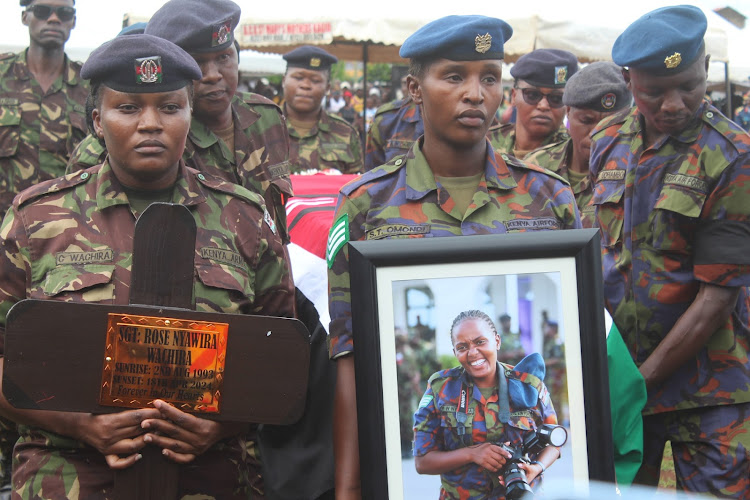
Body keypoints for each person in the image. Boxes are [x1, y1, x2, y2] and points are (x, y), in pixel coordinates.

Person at [0, 33, 295, 499]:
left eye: (170, 107)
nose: (151, 124)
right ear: (98, 120)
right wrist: (80, 424)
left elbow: (285, 364)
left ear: (190, 115)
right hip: (69, 477)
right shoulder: (35, 219)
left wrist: (220, 427)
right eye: (129, 108)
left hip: (212, 478)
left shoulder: (246, 220)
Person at [326, 15, 581, 498]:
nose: (475, 93)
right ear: (414, 88)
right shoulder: (364, 204)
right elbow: (348, 354)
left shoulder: (551, 197)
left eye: (489, 77)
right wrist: (348, 489)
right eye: (453, 76)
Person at [589, 6, 750, 496]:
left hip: (709, 389)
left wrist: (639, 383)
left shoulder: (733, 155)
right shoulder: (606, 142)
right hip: (622, 379)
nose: (674, 104)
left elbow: (716, 297)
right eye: (654, 91)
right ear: (627, 79)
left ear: (704, 65)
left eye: (689, 85)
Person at [67, 0, 294, 243]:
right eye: (198, 63)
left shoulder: (267, 117)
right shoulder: (133, 141)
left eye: (224, 57)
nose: (214, 75)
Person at [413, 310, 561, 498]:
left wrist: (537, 468)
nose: (473, 353)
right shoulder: (441, 389)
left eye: (480, 342)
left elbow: (555, 441)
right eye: (462, 347)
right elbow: (422, 462)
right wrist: (472, 454)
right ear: (455, 352)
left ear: (497, 341)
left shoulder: (528, 385)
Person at [0, 0, 88, 219]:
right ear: (25, 17)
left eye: (64, 13)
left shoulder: (89, 86)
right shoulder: (2, 75)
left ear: (73, 21)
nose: (54, 19)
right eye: (42, 11)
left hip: (64, 227)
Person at [526, 61, 632, 226]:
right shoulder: (535, 167)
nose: (597, 134)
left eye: (611, 125)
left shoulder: (637, 174)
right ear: (568, 113)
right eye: (587, 121)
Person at [281, 45, 363, 174]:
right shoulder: (261, 129)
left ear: (327, 88)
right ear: (284, 80)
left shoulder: (346, 133)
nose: (305, 85)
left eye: (315, 80)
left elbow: (356, 188)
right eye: (298, 78)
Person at [487, 49, 578, 160]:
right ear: (514, 96)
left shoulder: (576, 156)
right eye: (532, 95)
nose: (543, 106)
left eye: (556, 98)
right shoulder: (487, 144)